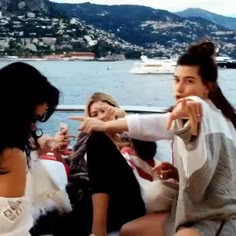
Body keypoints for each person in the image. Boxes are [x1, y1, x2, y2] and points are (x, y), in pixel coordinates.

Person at [72, 41, 236, 236]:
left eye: (189, 81)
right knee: (128, 232)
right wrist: (178, 173)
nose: (180, 88)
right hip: (189, 207)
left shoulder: (198, 110)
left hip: (215, 215)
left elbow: (160, 123)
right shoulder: (215, 117)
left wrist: (106, 125)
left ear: (207, 87)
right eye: (176, 80)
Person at [0, 62, 71, 236]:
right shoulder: (11, 156)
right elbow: (11, 228)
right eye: (34, 120)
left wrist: (41, 144)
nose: (34, 128)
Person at [66, 92, 146, 236]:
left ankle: (98, 232)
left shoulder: (133, 139)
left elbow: (147, 152)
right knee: (59, 222)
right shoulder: (86, 143)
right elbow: (76, 174)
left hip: (128, 202)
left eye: (104, 111)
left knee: (98, 139)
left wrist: (120, 120)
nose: (100, 118)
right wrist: (57, 153)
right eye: (94, 114)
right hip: (100, 201)